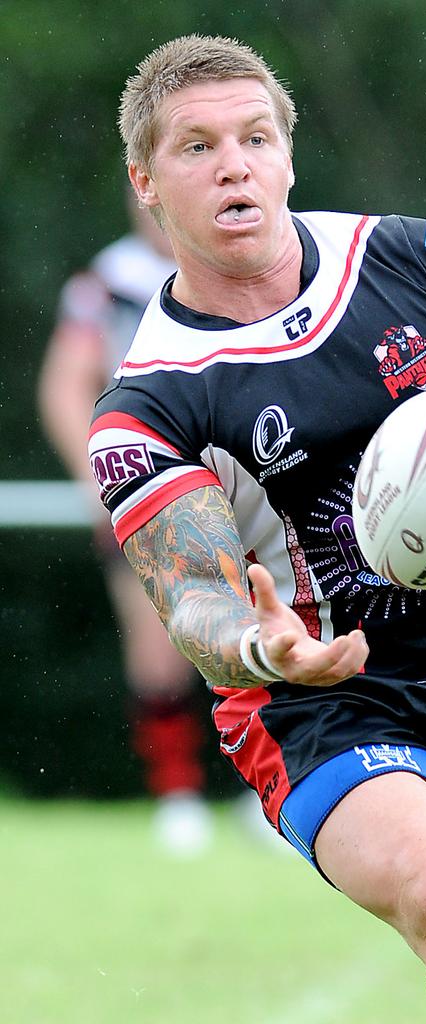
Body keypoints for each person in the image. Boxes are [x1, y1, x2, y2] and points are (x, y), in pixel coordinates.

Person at [88, 35, 426, 1022]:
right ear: (147, 181)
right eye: (198, 146)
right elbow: (199, 601)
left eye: (256, 137)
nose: (234, 164)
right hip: (323, 700)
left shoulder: (405, 256)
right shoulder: (148, 407)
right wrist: (264, 643)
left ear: (288, 157)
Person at [38, 196, 214, 854]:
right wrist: (101, 475)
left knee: (274, 626)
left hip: (241, 474)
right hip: (147, 482)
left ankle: (275, 788)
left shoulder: (241, 272)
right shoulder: (106, 286)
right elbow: (65, 385)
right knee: (158, 644)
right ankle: (179, 794)